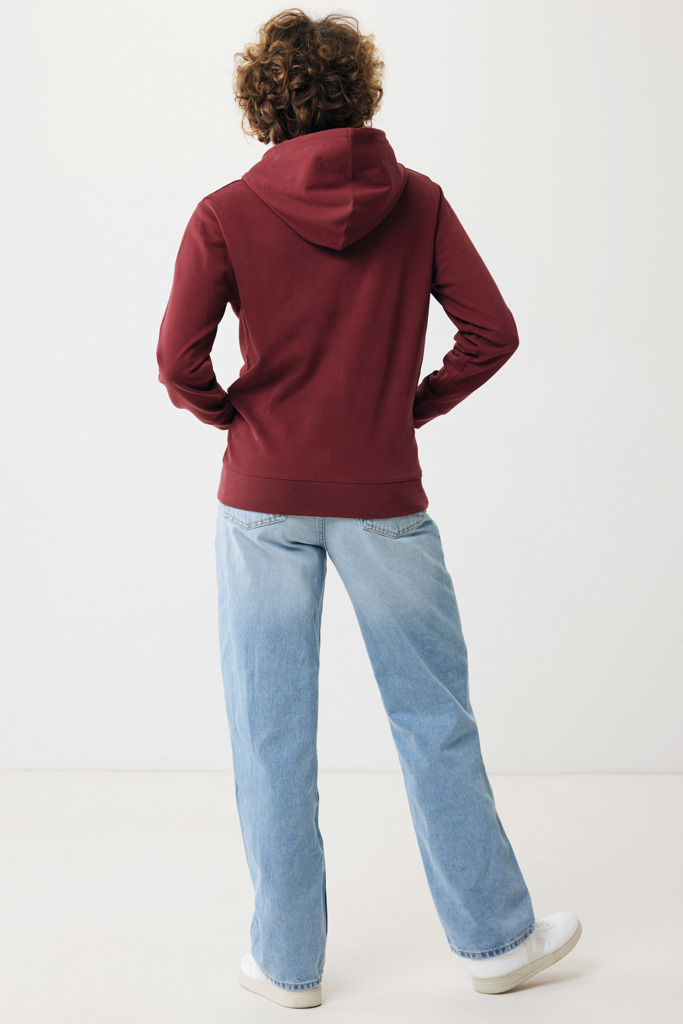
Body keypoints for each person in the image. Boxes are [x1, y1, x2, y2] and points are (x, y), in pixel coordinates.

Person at [156, 6, 582, 1009]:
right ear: (360, 92)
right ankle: (494, 942)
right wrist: (405, 409)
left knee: (269, 732)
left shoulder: (224, 211)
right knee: (432, 717)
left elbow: (177, 360)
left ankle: (286, 964)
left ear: (263, 103)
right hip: (382, 491)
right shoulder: (419, 200)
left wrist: (237, 421)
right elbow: (491, 332)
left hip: (261, 499)